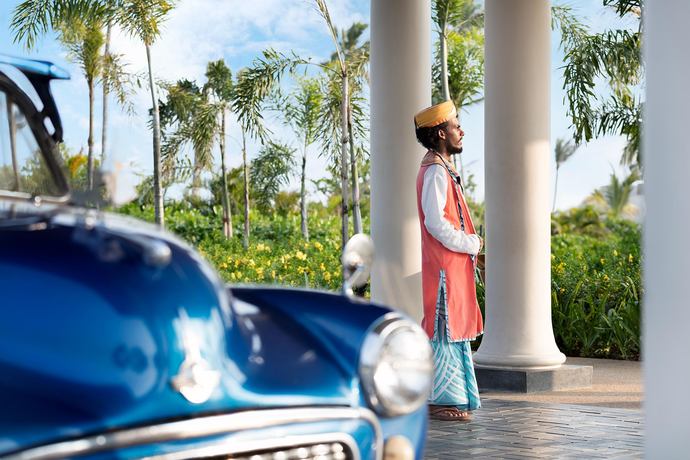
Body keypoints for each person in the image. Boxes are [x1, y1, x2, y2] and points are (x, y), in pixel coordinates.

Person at [413, 100, 483, 421]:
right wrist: (470, 242)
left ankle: (451, 398)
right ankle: (436, 400)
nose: (461, 131)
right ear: (442, 133)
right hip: (443, 269)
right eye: (456, 126)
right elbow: (435, 222)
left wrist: (471, 250)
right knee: (442, 330)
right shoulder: (436, 172)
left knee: (450, 331)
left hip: (450, 267)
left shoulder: (441, 167)